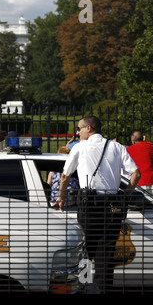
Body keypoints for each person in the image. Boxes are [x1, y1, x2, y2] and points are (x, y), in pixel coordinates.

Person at [52, 116, 141, 293]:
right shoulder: (117, 147)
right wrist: (125, 197)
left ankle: (83, 287)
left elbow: (64, 176)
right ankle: (104, 289)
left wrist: (61, 198)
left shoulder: (80, 147)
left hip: (89, 206)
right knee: (106, 253)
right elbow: (136, 174)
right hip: (113, 206)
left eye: (79, 129)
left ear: (89, 128)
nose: (77, 132)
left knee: (85, 250)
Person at [126, 131, 153, 200]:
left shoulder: (130, 150)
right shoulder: (151, 145)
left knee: (148, 205)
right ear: (143, 139)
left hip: (145, 182)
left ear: (133, 142)